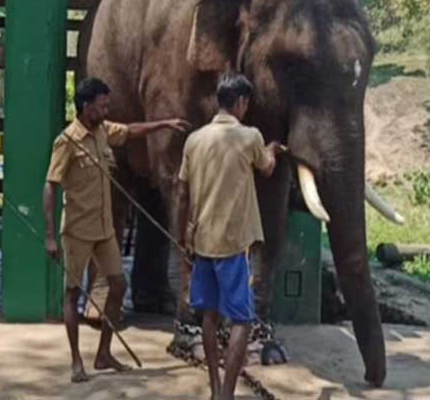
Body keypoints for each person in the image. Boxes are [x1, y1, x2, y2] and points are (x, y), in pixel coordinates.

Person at [43, 77, 190, 383]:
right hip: (77, 231)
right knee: (72, 295)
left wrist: (164, 123)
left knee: (118, 287)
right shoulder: (66, 141)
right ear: (86, 107)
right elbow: (50, 186)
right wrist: (49, 236)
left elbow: (131, 130)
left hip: (104, 230)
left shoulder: (103, 132)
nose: (107, 109)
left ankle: (104, 353)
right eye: (103, 105)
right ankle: (75, 362)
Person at [176, 73, 286, 400]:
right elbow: (266, 167)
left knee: (209, 315)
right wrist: (273, 149)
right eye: (246, 103)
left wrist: (184, 233)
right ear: (240, 103)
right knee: (242, 319)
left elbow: (181, 191)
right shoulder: (249, 135)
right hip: (233, 243)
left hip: (203, 241)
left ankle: (214, 387)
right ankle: (226, 393)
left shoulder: (194, 140)